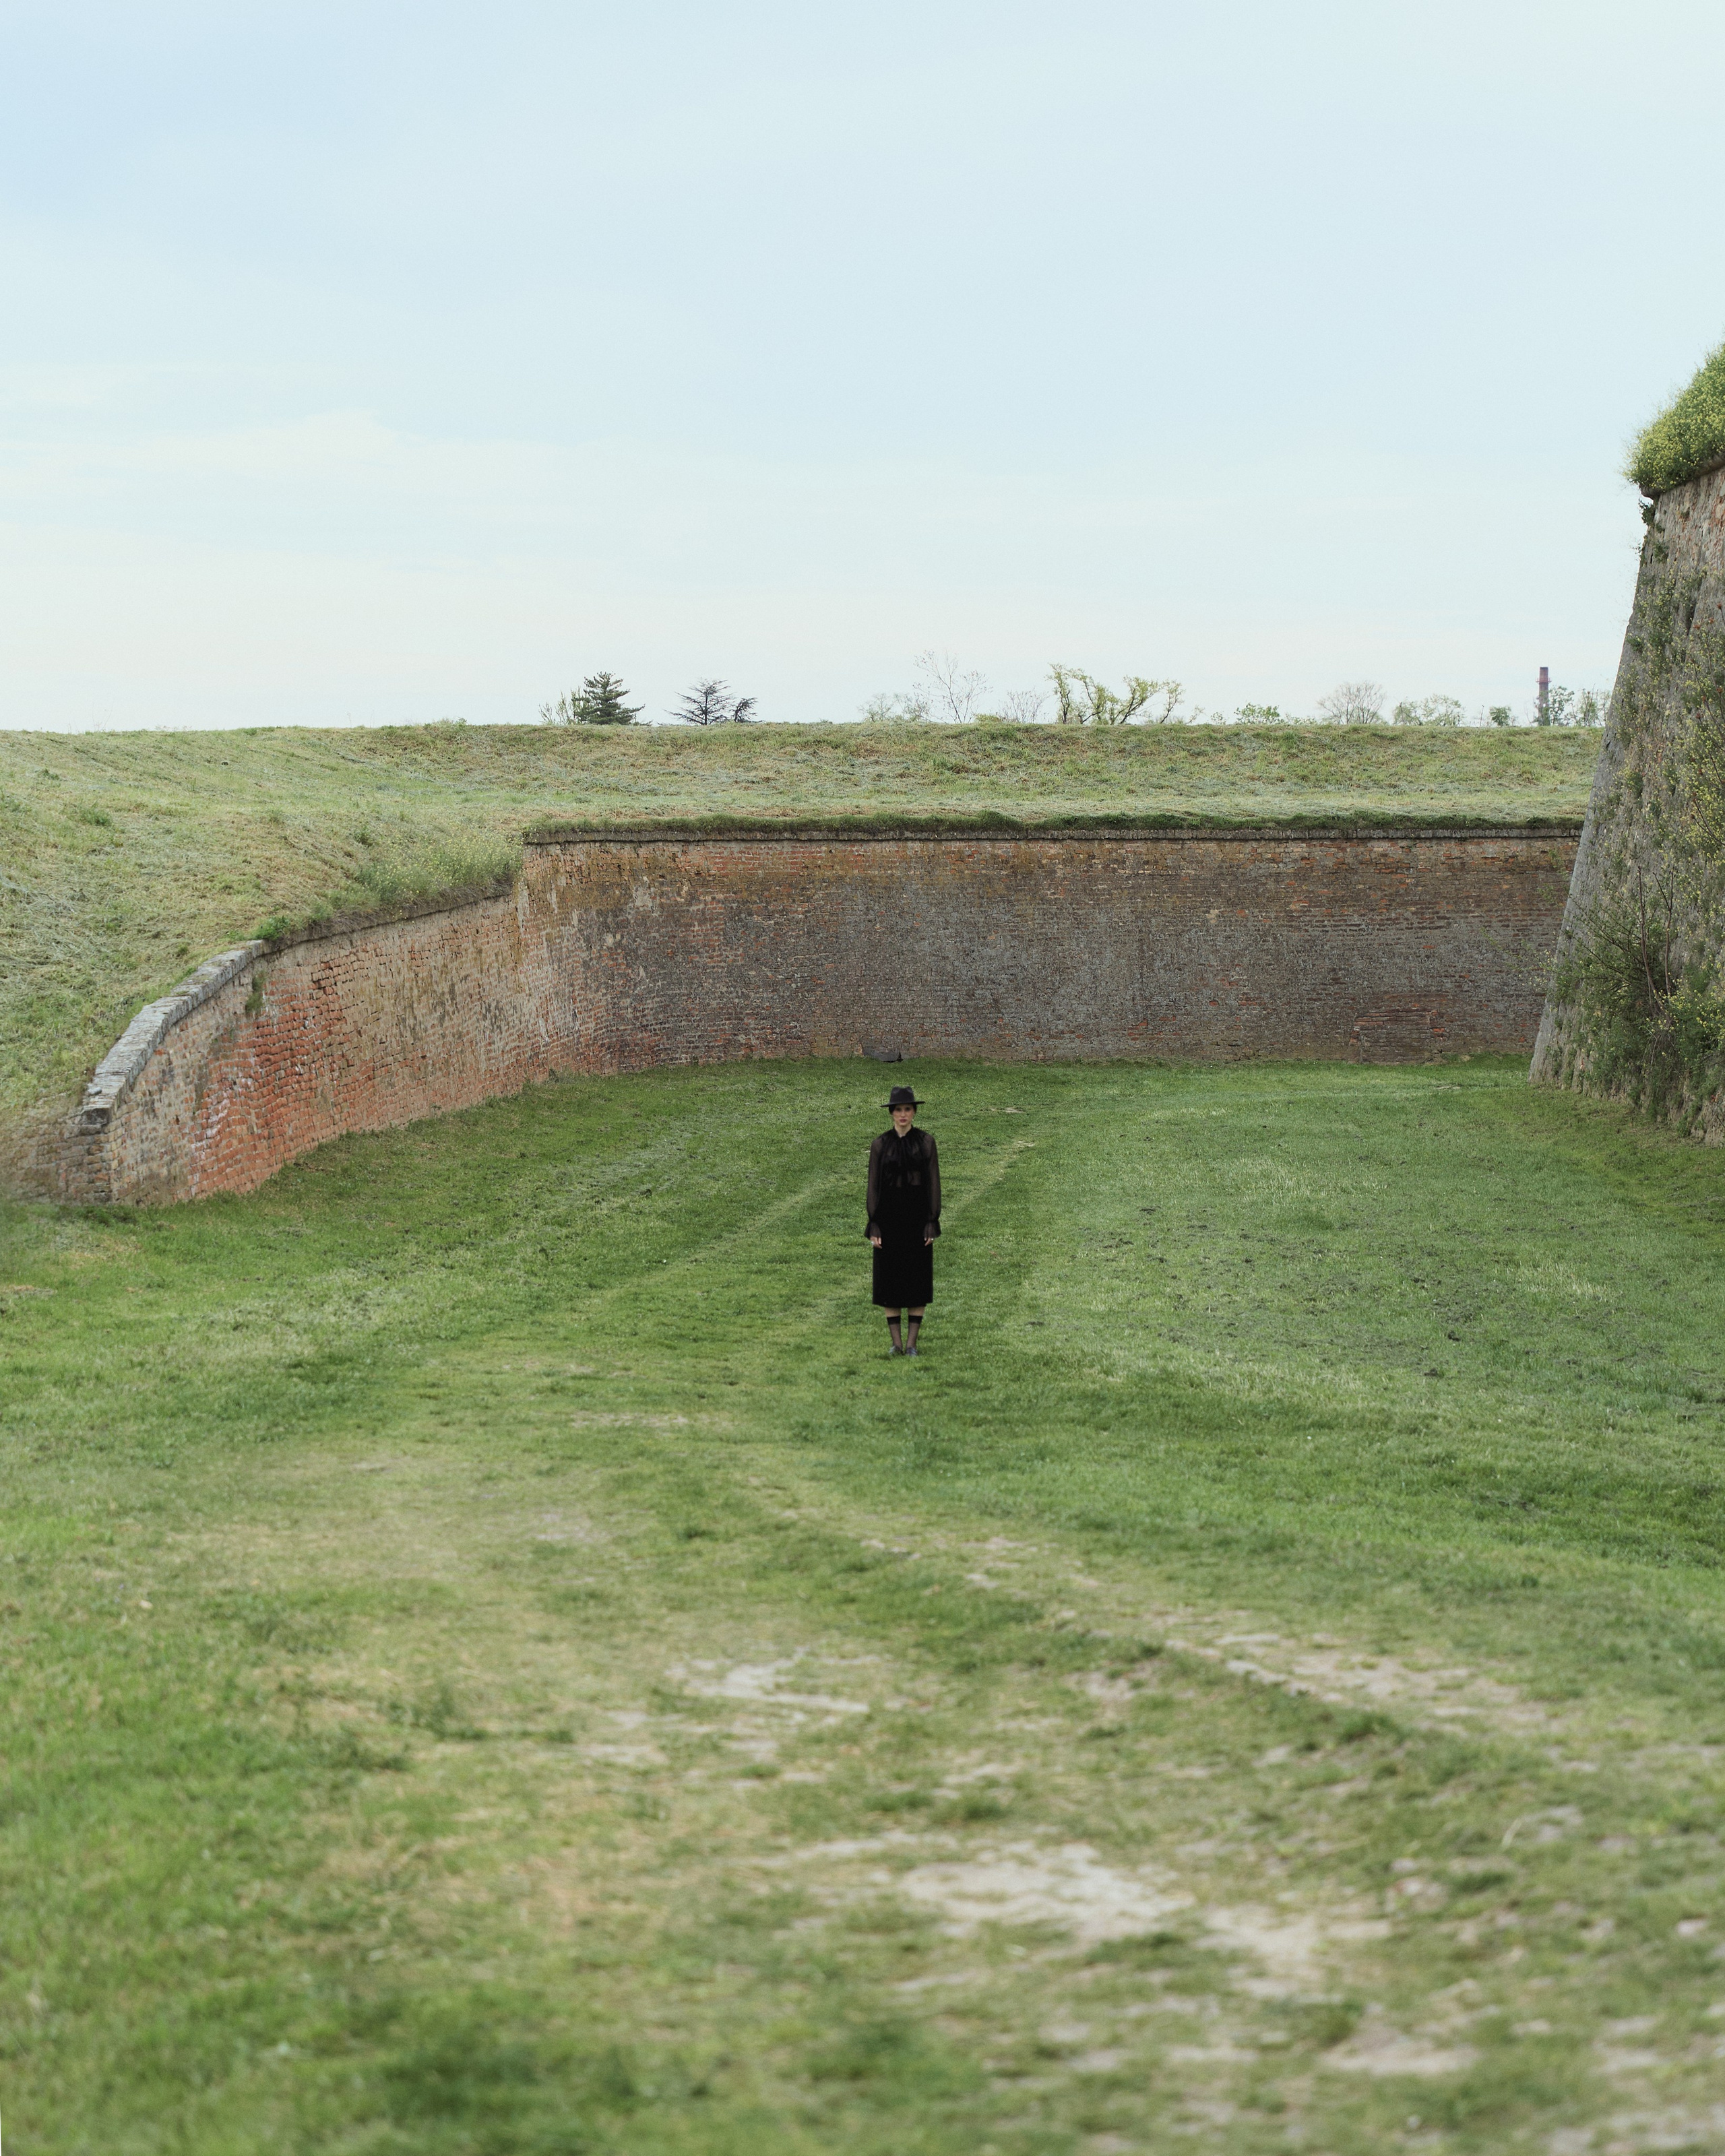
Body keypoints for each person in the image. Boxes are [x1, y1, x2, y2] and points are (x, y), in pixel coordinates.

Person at [866, 1084, 941, 1356]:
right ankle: (896, 1343)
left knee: (917, 1281)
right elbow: (873, 1186)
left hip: (918, 1220)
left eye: (908, 1109)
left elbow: (934, 1183)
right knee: (890, 1281)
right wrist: (874, 1223)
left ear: (914, 1112)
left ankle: (912, 1344)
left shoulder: (926, 1143)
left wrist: (932, 1221)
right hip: (889, 1222)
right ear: (891, 1113)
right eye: (898, 1110)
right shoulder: (880, 1145)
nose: (903, 1114)